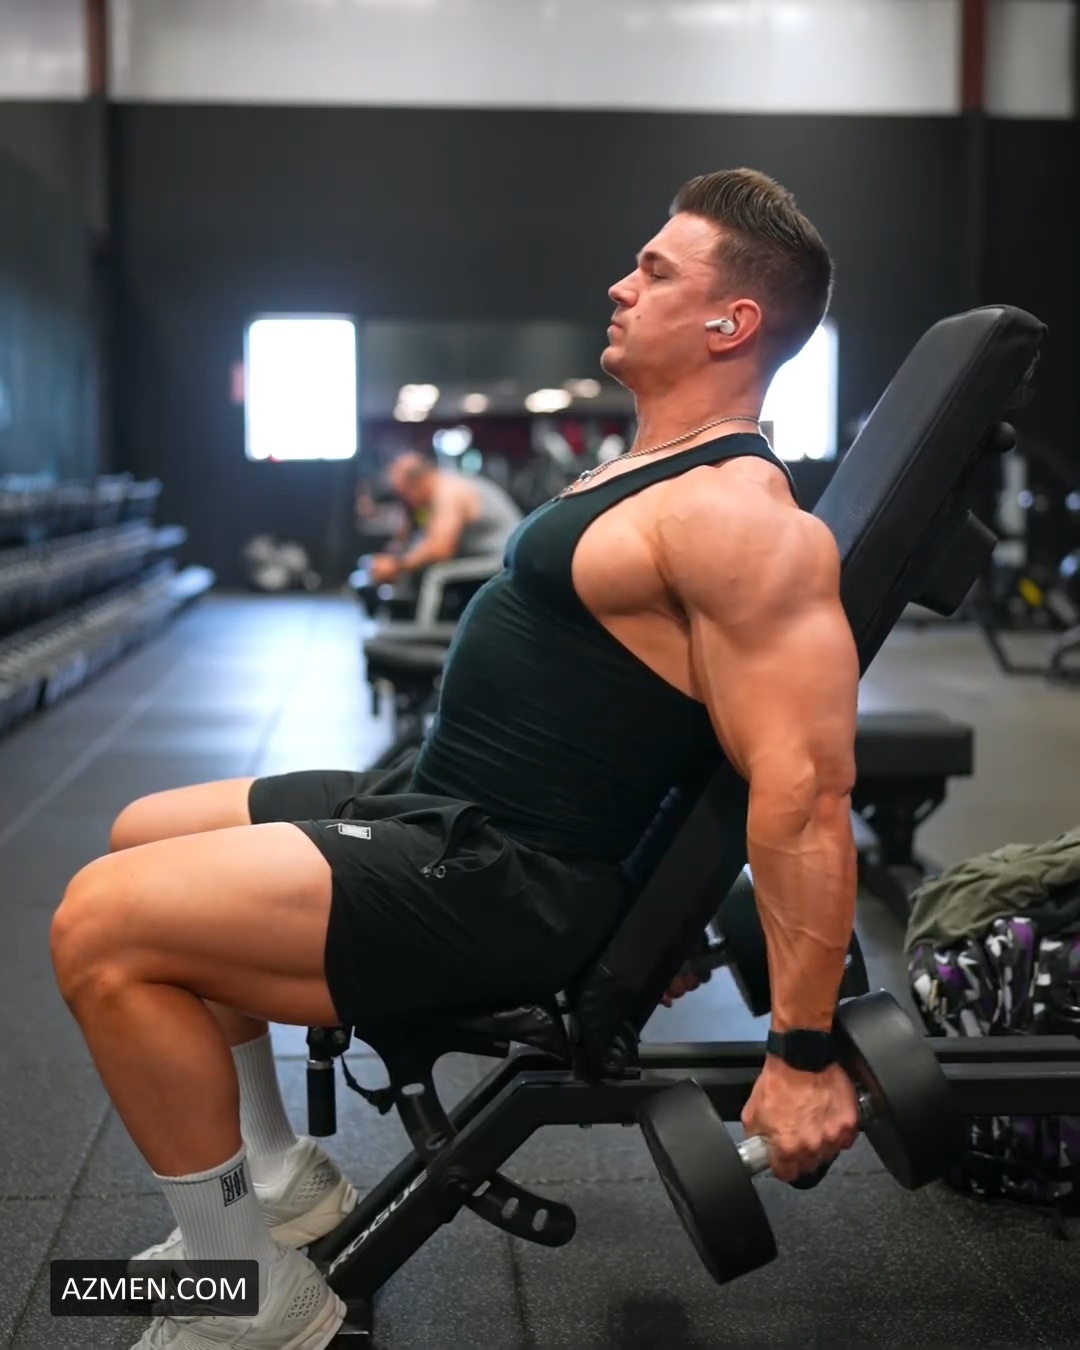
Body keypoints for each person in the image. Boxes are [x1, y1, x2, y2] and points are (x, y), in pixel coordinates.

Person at [50, 167, 860, 1350]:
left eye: (654, 271)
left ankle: (243, 1297)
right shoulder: (650, 467)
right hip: (441, 802)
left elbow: (806, 789)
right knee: (145, 833)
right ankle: (274, 1183)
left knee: (101, 925)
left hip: (503, 875)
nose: (620, 285)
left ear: (731, 323)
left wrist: (801, 1050)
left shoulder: (737, 517)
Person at [365, 448, 523, 588]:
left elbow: (439, 550)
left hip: (503, 562)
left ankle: (426, 615)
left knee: (436, 574)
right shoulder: (436, 494)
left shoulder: (449, 492)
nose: (406, 503)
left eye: (404, 495)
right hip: (484, 558)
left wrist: (397, 566)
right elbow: (414, 541)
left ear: (418, 483)